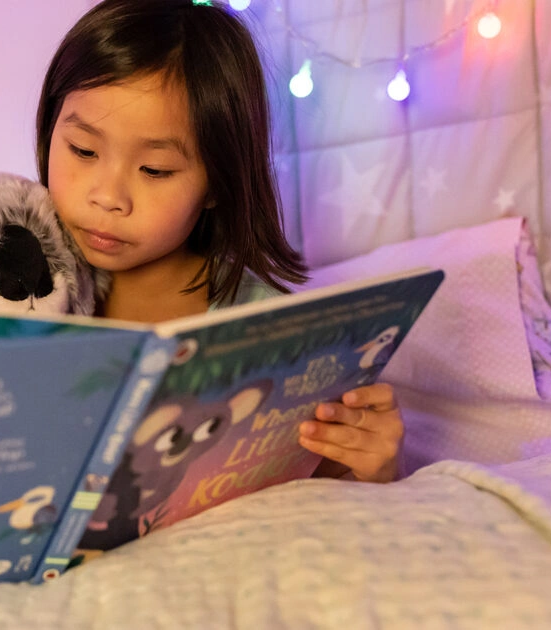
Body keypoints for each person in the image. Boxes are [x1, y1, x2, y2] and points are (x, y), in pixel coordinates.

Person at [35, 0, 401, 483]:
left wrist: (371, 462)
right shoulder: (15, 276)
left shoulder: (267, 331)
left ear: (215, 184)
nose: (107, 197)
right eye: (83, 150)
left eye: (155, 170)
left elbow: (319, 484)